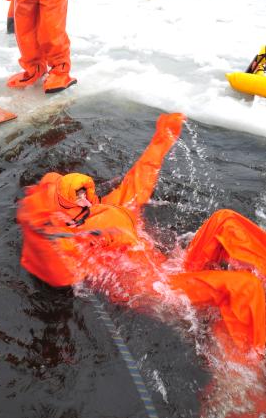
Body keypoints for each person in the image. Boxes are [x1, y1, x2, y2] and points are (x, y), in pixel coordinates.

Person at [18, 112, 266, 353]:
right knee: (243, 287)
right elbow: (58, 272)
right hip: (159, 292)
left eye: (84, 192)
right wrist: (38, 234)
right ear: (62, 206)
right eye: (75, 198)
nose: (83, 199)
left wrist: (163, 137)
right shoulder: (72, 240)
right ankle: (242, 378)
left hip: (170, 270)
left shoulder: (113, 204)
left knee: (225, 220)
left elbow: (141, 177)